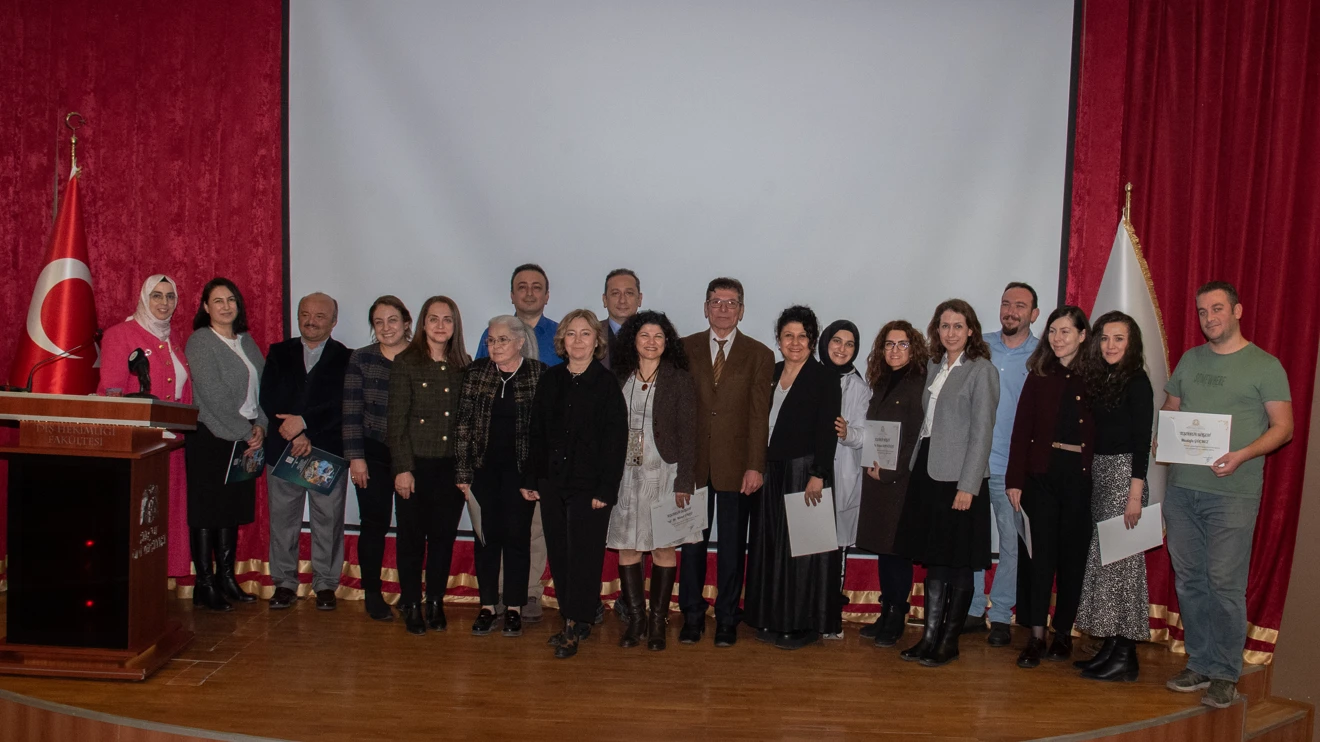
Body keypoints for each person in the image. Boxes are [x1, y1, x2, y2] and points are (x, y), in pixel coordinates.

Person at [1160, 281, 1292, 709]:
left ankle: (1224, 673)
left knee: (1225, 584)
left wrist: (1242, 454)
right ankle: (1199, 662)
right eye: (1201, 311)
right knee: (1191, 580)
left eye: (1217, 309)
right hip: (1182, 490)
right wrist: (1171, 435)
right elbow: (1171, 412)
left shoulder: (1265, 365)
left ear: (1237, 310)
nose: (1209, 318)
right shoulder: (1188, 360)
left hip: (1232, 493)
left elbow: (1283, 427)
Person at [894, 299, 999, 667]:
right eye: (944, 325)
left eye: (957, 325)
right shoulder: (935, 366)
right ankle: (928, 637)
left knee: (957, 561)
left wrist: (968, 486)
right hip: (928, 470)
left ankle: (948, 642)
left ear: (971, 330)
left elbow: (982, 432)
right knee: (936, 559)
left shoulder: (981, 370)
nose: (950, 332)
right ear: (936, 331)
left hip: (959, 477)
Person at [523, 309, 628, 659]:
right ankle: (574, 618)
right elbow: (535, 433)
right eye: (571, 334)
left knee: (584, 556)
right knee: (561, 553)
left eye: (586, 334)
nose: (578, 340)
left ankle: (574, 624)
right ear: (562, 341)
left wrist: (606, 490)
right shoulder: (551, 380)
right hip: (552, 483)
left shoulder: (607, 383)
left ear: (597, 341)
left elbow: (616, 441)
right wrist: (531, 479)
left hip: (591, 487)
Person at [677, 278, 775, 647]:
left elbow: (758, 416)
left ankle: (728, 618)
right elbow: (681, 411)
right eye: (716, 302)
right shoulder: (684, 348)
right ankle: (691, 615)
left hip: (738, 467)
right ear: (705, 307)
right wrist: (680, 466)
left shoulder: (759, 354)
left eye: (731, 303)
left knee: (733, 546)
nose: (723, 309)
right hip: (695, 466)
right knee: (692, 545)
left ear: (742, 310)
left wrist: (755, 465)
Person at [744, 306, 842, 650]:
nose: (795, 342)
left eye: (802, 336)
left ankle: (802, 624)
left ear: (812, 340)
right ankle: (773, 617)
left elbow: (827, 432)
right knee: (772, 547)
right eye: (788, 335)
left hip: (805, 470)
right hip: (770, 471)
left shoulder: (825, 377)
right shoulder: (769, 372)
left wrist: (818, 475)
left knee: (803, 550)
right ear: (779, 340)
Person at [1005, 306, 1093, 668]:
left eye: (1065, 331)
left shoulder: (1096, 376)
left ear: (1083, 335)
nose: (1057, 338)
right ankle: (1036, 636)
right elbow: (1021, 428)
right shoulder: (1039, 373)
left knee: (1072, 561)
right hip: (1040, 477)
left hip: (1081, 480)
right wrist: (1014, 480)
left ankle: (1063, 634)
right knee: (1038, 560)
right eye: (1053, 331)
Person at [474, 263, 559, 623]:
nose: (528, 292)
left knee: (533, 529)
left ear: (546, 294)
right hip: (492, 457)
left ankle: (528, 593)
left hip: (538, 453)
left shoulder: (558, 336)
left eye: (536, 287)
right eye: (521, 287)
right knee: (494, 528)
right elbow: (479, 392)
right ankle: (494, 597)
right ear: (511, 294)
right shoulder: (492, 333)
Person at [607, 310, 696, 651]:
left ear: (667, 342)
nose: (651, 342)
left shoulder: (679, 379)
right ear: (633, 339)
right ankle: (637, 620)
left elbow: (690, 435)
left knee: (663, 546)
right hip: (625, 474)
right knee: (628, 546)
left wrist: (685, 480)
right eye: (644, 336)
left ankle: (657, 622)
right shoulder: (618, 375)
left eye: (658, 337)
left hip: (665, 473)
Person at [1073, 311, 1154, 681]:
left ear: (1131, 343)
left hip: (1125, 478)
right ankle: (1111, 648)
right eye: (1104, 338)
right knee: (1109, 564)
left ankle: (1126, 657)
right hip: (1103, 474)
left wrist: (1135, 493)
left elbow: (1140, 443)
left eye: (1118, 339)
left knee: (1122, 567)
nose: (1110, 345)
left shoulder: (1138, 382)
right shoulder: (1103, 378)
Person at [260, 292, 352, 611]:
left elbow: (344, 405)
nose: (310, 321)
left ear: (334, 321)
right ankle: (284, 583)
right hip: (283, 450)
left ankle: (325, 585)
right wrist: (294, 431)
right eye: (304, 314)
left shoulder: (347, 358)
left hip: (326, 452)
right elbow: (269, 397)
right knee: (283, 522)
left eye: (319, 316)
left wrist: (306, 427)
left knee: (327, 521)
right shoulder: (278, 352)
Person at [455, 315, 546, 637]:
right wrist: (463, 474)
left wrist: (535, 479)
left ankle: (514, 608)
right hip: (482, 472)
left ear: (520, 342)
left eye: (502, 340)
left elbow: (542, 434)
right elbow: (463, 425)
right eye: (491, 340)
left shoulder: (538, 374)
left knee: (518, 540)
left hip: (520, 475)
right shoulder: (476, 373)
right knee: (487, 540)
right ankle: (487, 605)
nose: (494, 346)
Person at [98, 274, 192, 580]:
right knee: (135, 518)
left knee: (160, 520)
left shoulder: (172, 337)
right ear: (143, 298)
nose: (164, 303)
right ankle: (126, 583)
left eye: (170, 297)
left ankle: (151, 585)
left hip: (170, 445)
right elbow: (110, 393)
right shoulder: (120, 334)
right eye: (156, 296)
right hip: (137, 446)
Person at [388, 296, 471, 635]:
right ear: (422, 324)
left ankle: (434, 600)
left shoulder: (462, 365)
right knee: (410, 539)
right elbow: (396, 423)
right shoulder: (407, 362)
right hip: (416, 466)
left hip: (449, 467)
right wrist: (403, 469)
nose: (440, 326)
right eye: (433, 319)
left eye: (447, 319)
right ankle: (410, 601)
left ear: (455, 326)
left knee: (442, 538)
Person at [182, 278, 267, 611]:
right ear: (205, 307)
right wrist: (245, 432)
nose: (225, 306)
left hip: (244, 438)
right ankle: (205, 584)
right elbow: (213, 395)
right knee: (207, 512)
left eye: (231, 299)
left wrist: (260, 426)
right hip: (211, 437)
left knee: (230, 510)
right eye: (217, 301)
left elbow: (264, 389)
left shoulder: (247, 342)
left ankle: (227, 578)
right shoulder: (200, 341)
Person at [966, 282, 1040, 647]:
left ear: (1034, 314)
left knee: (1010, 542)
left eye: (1020, 306)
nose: (1011, 311)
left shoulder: (1042, 355)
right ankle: (974, 609)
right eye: (1006, 304)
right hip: (974, 464)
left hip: (1014, 470)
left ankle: (1001, 615)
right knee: (974, 541)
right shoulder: (980, 347)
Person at [855, 320, 930, 647]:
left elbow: (915, 437)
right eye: (889, 344)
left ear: (913, 349)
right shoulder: (881, 381)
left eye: (902, 344)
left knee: (897, 551)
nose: (894, 350)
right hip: (876, 479)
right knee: (884, 550)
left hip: (901, 481)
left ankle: (898, 614)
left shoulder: (919, 384)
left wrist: (890, 471)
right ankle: (887, 610)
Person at [342, 296, 412, 622]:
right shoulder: (362, 359)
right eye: (379, 322)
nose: (386, 328)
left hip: (412, 456)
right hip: (372, 454)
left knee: (411, 527)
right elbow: (352, 412)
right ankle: (372, 593)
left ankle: (411, 595)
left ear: (407, 323)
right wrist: (356, 458)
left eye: (393, 320)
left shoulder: (420, 357)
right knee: (375, 525)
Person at [821, 319, 870, 638]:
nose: (842, 348)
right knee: (809, 542)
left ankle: (830, 618)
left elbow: (868, 434)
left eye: (850, 344)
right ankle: (806, 611)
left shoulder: (860, 387)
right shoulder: (809, 376)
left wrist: (848, 433)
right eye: (836, 341)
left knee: (835, 548)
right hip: (810, 475)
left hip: (844, 474)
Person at [601, 268, 643, 371]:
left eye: (629, 293)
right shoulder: (589, 335)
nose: (622, 300)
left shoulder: (656, 337)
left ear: (639, 299)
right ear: (605, 300)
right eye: (615, 293)